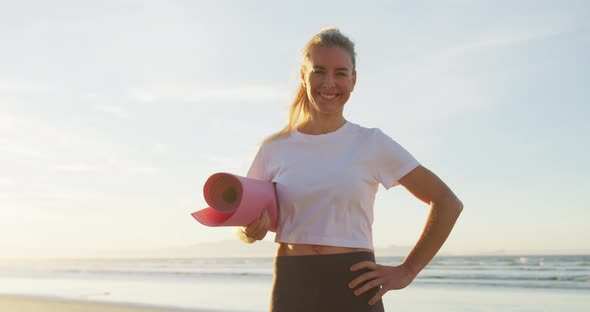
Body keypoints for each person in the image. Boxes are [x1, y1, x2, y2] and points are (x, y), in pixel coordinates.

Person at [240, 27, 463, 312]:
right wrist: (250, 232)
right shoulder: (274, 148)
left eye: (340, 73)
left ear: (353, 80)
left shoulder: (371, 143)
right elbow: (244, 227)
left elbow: (447, 203)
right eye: (319, 71)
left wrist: (407, 271)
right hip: (291, 283)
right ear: (303, 76)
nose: (329, 83)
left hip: (354, 287)